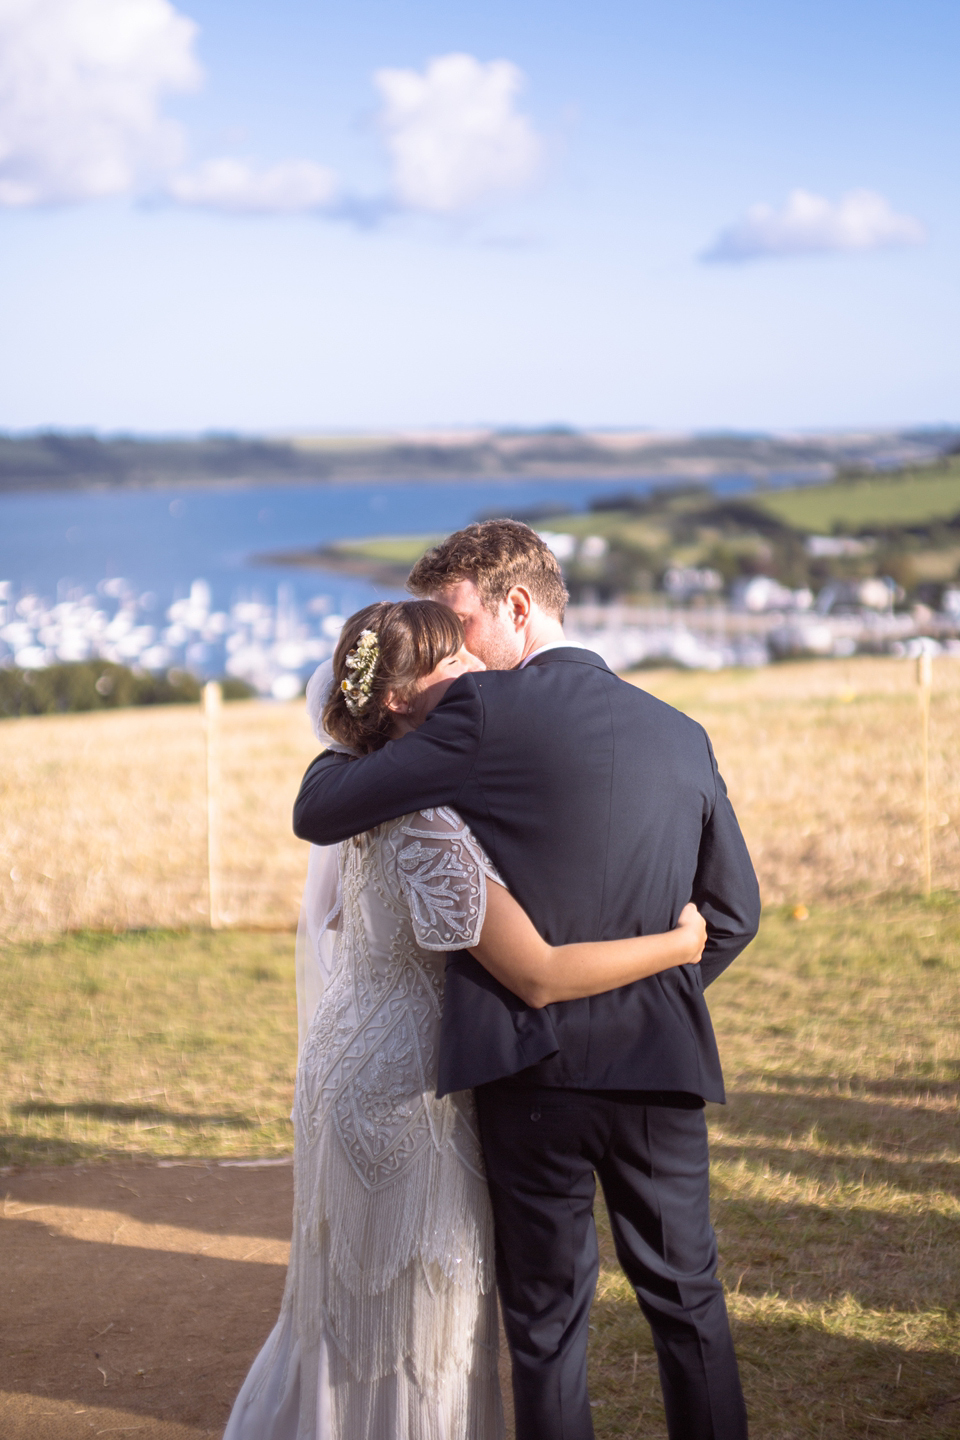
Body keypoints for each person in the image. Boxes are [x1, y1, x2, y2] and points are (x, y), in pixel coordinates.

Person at [293, 521, 762, 1440]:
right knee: (690, 1303)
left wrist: (346, 725)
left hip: (529, 1067)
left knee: (546, 1328)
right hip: (658, 1063)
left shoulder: (479, 716)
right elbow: (732, 914)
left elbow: (325, 807)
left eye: (458, 618)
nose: (452, 645)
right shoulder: (682, 730)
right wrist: (655, 995)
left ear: (514, 607)